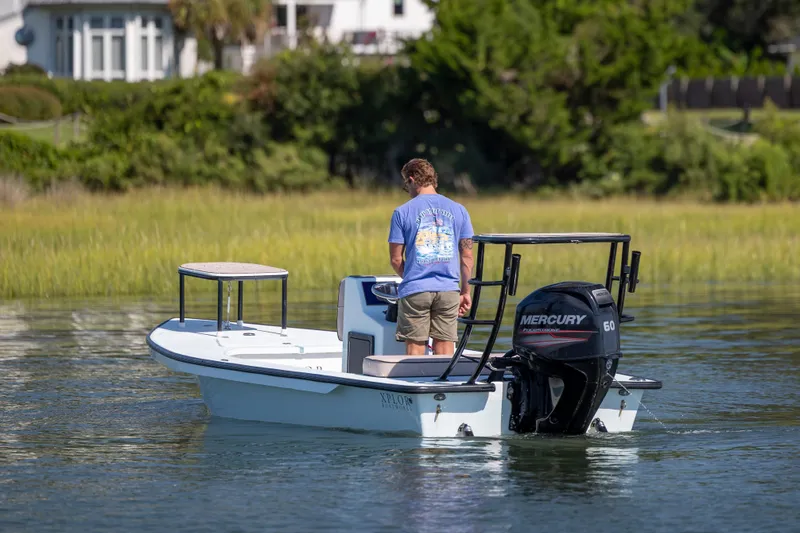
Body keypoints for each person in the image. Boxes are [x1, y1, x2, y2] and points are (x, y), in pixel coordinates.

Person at [388, 158, 474, 356]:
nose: (406, 190)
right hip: (449, 290)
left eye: (405, 185)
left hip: (416, 290)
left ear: (411, 180)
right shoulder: (459, 210)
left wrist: (412, 277)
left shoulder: (402, 212)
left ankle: (415, 384)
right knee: (445, 349)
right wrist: (465, 291)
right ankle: (440, 387)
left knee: (415, 348)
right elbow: (467, 256)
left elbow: (396, 259)